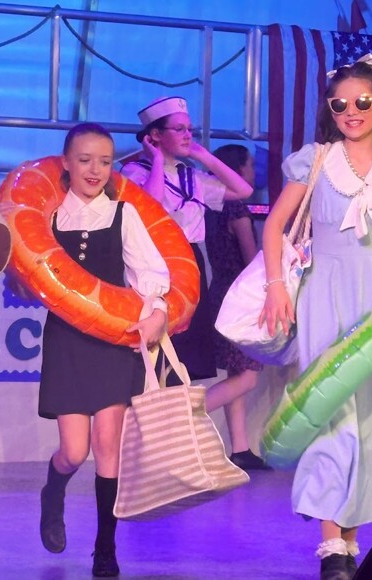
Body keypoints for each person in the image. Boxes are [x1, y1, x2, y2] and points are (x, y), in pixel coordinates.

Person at [259, 54, 372, 580]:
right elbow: (274, 226)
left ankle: (351, 542)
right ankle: (331, 544)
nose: (351, 111)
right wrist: (276, 287)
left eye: (362, 101)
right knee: (330, 411)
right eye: (340, 105)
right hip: (324, 294)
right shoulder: (315, 160)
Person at [37, 122, 169, 578]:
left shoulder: (123, 214)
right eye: (85, 160)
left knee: (107, 444)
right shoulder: (50, 217)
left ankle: (105, 547)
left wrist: (156, 311)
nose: (95, 170)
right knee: (74, 452)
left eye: (105, 161)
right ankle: (53, 492)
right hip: (67, 341)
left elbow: (151, 273)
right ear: (66, 163)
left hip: (114, 339)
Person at [121, 96, 252, 382]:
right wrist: (157, 160)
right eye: (179, 129)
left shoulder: (193, 176)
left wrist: (203, 155)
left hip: (191, 259)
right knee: (158, 345)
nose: (187, 135)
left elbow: (243, 190)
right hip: (154, 259)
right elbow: (151, 207)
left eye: (189, 129)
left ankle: (179, 405)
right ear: (155, 135)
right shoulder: (134, 172)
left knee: (188, 349)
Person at [204, 144, 269, 470]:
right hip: (241, 297)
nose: (253, 171)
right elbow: (251, 258)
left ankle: (240, 448)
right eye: (250, 165)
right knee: (247, 378)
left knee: (237, 373)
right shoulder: (238, 210)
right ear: (238, 169)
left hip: (219, 293)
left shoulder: (212, 208)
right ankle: (185, 416)